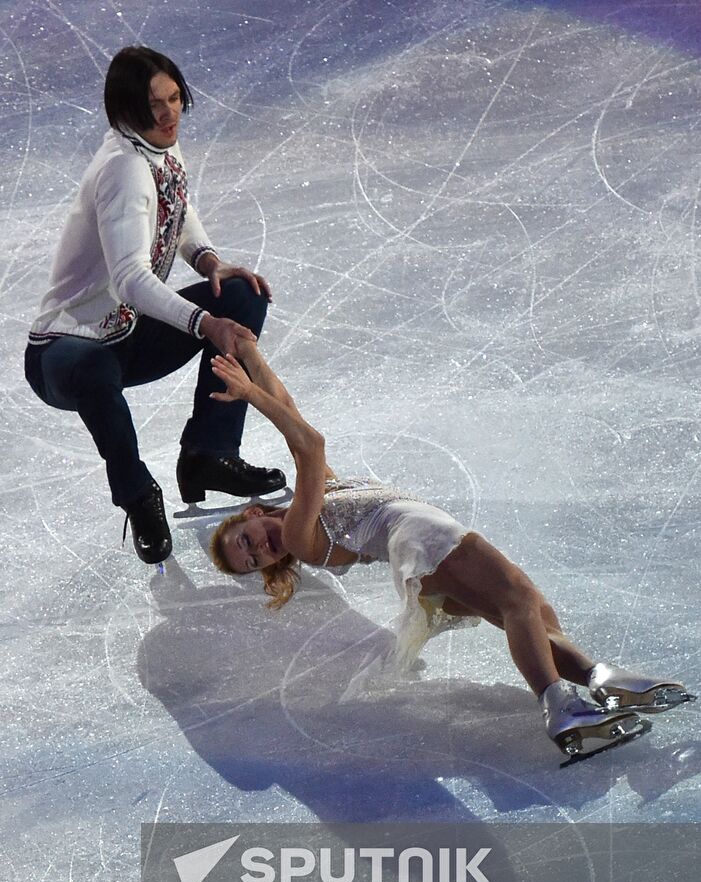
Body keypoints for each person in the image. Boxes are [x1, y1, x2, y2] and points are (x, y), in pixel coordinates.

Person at [206, 346, 694, 758]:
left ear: (251, 514)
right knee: (519, 601)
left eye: (247, 543)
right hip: (419, 538)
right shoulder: (297, 534)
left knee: (531, 617)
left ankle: (598, 677)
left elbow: (291, 412)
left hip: (416, 554)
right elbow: (309, 445)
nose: (262, 552)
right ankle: (562, 709)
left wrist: (250, 353)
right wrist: (248, 395)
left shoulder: (318, 499)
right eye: (255, 563)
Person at [24, 46, 285, 564]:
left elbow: (178, 209)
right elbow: (128, 279)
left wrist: (208, 261)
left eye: (174, 100)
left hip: (127, 334)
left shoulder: (157, 146)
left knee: (238, 294)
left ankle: (209, 454)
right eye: (154, 105)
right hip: (64, 351)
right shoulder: (122, 170)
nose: (169, 115)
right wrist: (202, 321)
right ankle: (138, 495)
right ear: (123, 111)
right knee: (101, 366)